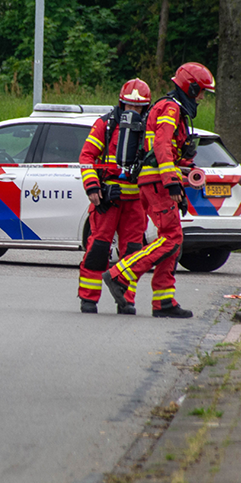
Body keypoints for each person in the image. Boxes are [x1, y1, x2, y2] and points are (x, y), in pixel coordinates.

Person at [102, 62, 214, 319]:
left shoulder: (175, 110)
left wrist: (184, 173)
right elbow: (162, 145)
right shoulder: (170, 108)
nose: (201, 98)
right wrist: (171, 180)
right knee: (172, 237)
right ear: (191, 86)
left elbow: (172, 152)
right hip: (157, 181)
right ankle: (119, 276)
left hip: (156, 180)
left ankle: (163, 301)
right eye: (201, 92)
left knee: (171, 240)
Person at [77, 79, 152, 314]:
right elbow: (87, 157)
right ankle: (88, 298)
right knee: (98, 249)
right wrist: (93, 188)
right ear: (121, 103)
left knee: (132, 253)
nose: (134, 112)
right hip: (108, 200)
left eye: (139, 108)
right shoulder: (106, 125)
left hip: (136, 203)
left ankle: (125, 299)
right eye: (129, 106)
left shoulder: (150, 128)